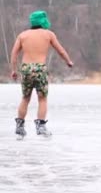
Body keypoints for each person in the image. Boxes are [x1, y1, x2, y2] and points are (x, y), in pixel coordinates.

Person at [10, 10, 73, 139]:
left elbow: (14, 53)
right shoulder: (48, 34)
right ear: (43, 21)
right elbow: (60, 50)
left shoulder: (23, 35)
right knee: (42, 98)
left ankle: (20, 127)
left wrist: (13, 70)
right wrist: (68, 61)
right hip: (40, 69)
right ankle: (41, 126)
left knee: (25, 98)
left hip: (26, 68)